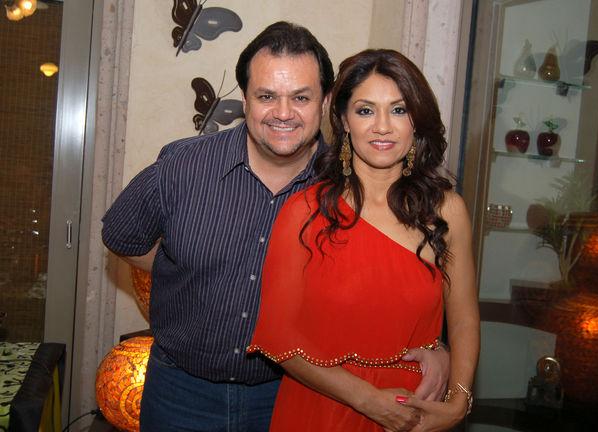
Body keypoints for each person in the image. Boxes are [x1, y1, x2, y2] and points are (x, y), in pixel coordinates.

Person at [102, 22, 449, 431]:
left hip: (296, 396)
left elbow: (397, 281)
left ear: (325, 103)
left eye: (301, 97)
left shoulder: (351, 184)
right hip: (181, 392)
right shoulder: (183, 166)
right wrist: (181, 266)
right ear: (244, 99)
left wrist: (436, 346)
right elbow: (122, 237)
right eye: (266, 96)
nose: (283, 113)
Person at [247, 48, 480, 431]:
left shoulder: (446, 210)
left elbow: (465, 319)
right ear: (344, 120)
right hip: (319, 408)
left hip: (412, 414)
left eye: (399, 110)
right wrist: (368, 400)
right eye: (366, 110)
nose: (382, 127)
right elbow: (276, 336)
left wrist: (458, 403)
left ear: (416, 121)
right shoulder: (304, 212)